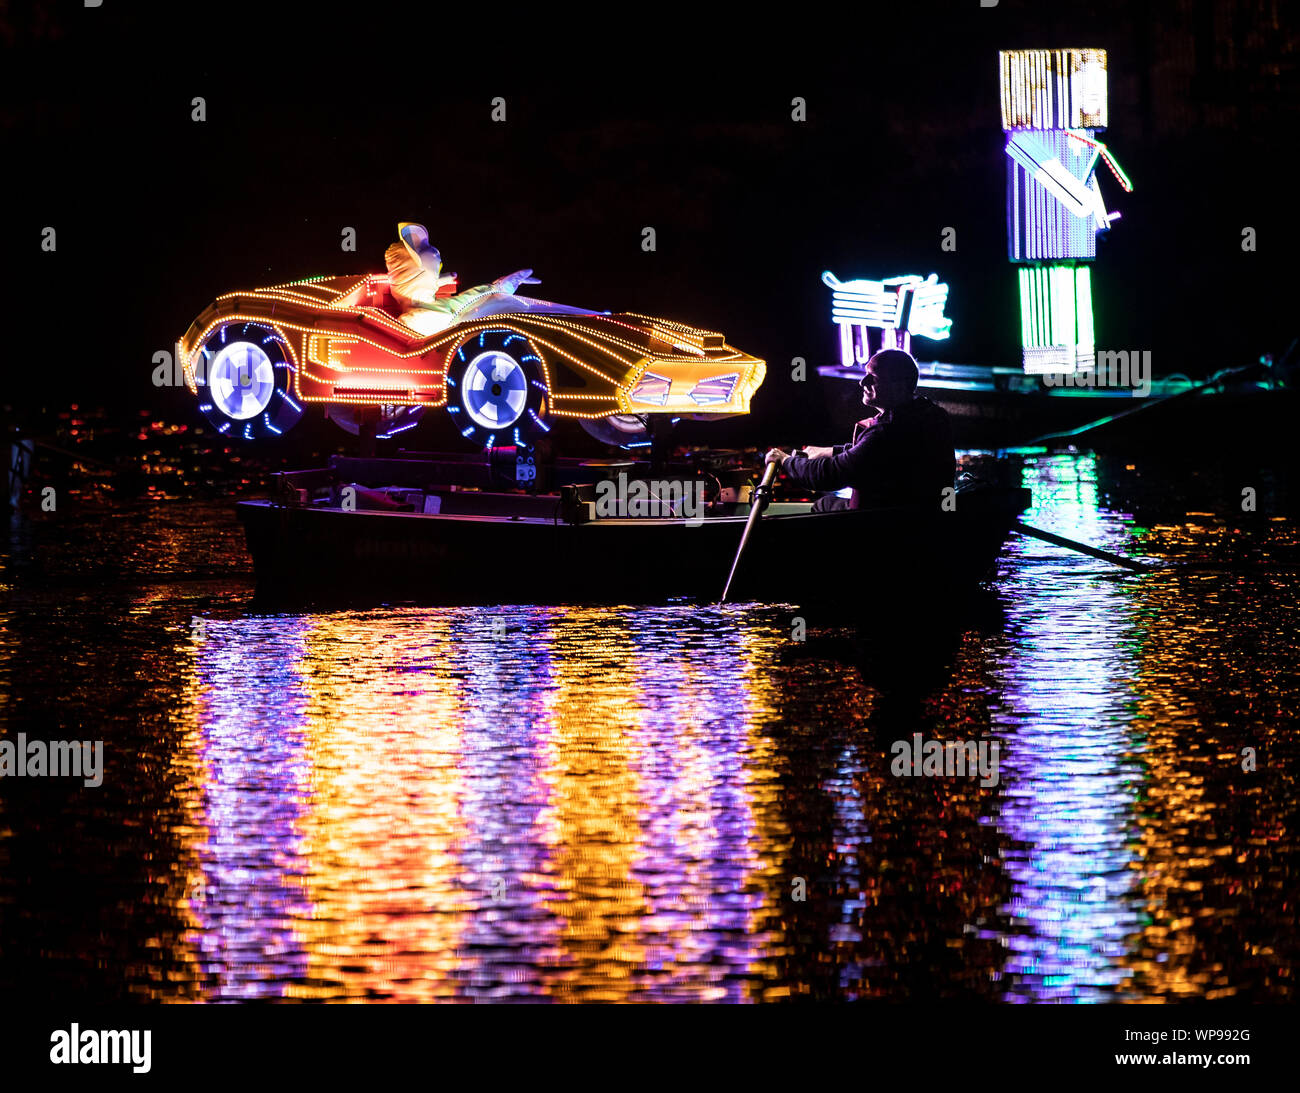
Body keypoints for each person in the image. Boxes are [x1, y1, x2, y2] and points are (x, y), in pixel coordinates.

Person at [766, 348, 955, 511]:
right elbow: (873, 455)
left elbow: (830, 475)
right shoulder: (931, 415)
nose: (862, 382)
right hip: (917, 517)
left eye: (873, 377)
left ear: (900, 386)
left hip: (882, 525)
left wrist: (785, 460)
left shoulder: (888, 430)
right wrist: (829, 451)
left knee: (822, 506)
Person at [384, 222, 540, 335]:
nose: (436, 253)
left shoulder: (434, 307)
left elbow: (471, 298)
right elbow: (472, 300)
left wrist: (501, 287)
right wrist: (501, 287)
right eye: (425, 249)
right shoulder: (414, 320)